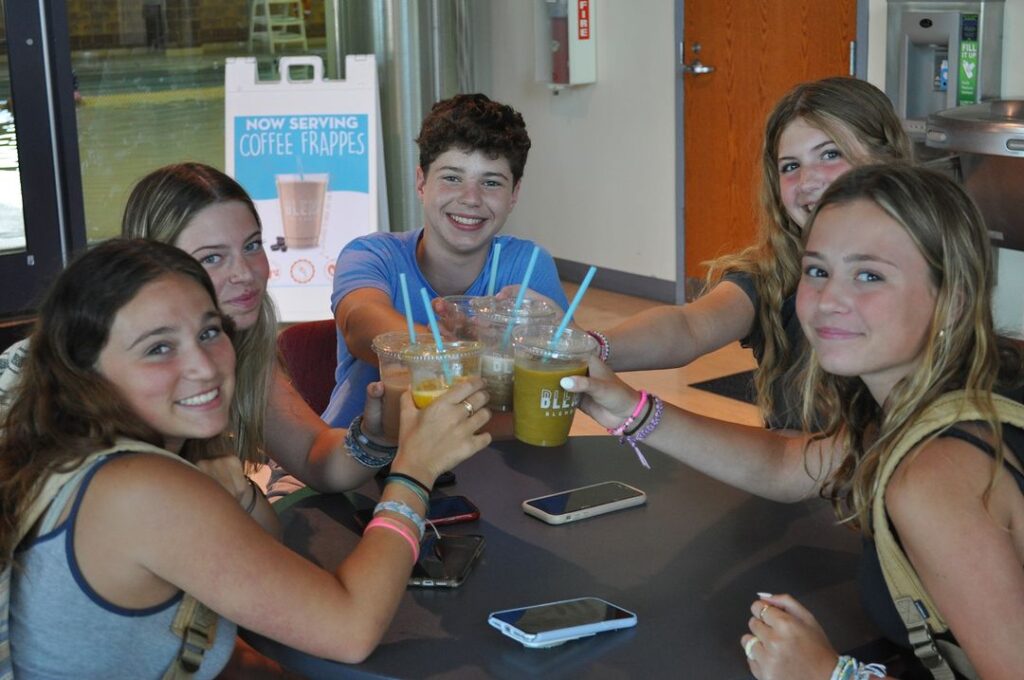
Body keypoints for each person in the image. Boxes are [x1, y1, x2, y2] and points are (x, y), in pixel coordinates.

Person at [563, 164, 1024, 679]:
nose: (829, 301)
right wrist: (631, 409)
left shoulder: (934, 474)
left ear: (952, 299)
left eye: (869, 275)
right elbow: (789, 464)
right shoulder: (954, 392)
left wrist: (831, 675)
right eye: (818, 271)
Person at [1, 239, 492, 677]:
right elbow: (350, 631)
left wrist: (235, 488)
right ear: (85, 371)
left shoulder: (86, 451)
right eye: (158, 348)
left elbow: (258, 557)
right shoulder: (138, 489)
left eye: (209, 333)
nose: (203, 365)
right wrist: (414, 471)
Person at [582, 77, 913, 429]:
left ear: (885, 157)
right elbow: (690, 326)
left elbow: (803, 463)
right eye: (790, 166)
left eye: (830, 154)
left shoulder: (930, 276)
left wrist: (638, 415)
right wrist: (590, 348)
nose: (807, 181)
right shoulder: (771, 272)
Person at [120, 162, 392, 498]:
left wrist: (375, 435)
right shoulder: (133, 384)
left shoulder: (239, 343)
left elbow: (314, 456)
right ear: (154, 267)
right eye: (212, 258)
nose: (245, 274)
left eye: (251, 246)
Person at [320, 93, 569, 436]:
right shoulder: (373, 255)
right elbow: (360, 326)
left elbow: (552, 382)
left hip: (489, 465)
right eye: (452, 177)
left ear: (514, 194)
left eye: (492, 182)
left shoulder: (526, 266)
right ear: (421, 182)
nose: (471, 198)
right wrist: (461, 351)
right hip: (357, 459)